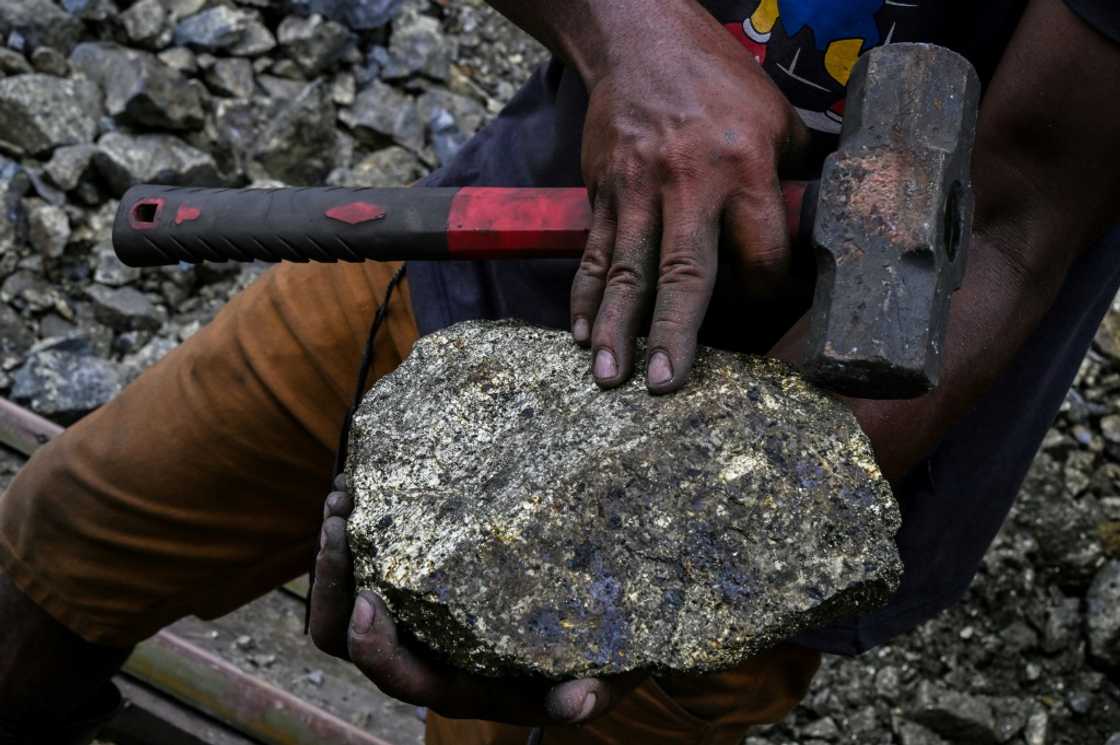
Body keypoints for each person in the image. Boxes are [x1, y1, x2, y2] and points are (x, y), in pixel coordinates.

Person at [1, 0, 1118, 743]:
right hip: (471, 282)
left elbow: (1010, 220)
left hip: (768, 481)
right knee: (45, 559)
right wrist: (633, 35)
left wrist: (647, 578)